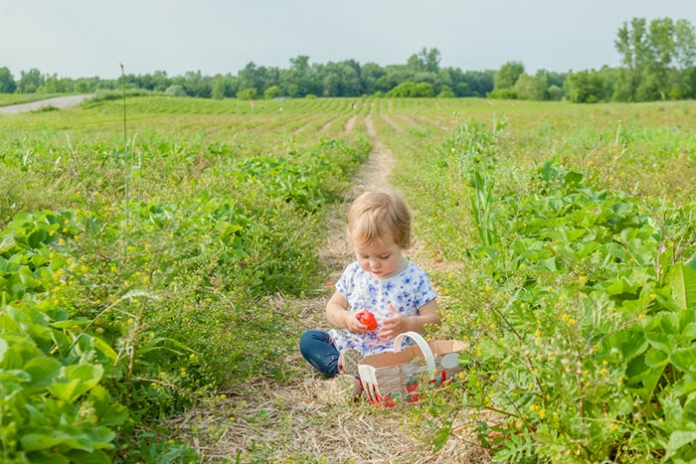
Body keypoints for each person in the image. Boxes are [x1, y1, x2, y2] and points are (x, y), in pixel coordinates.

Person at [299, 189, 440, 402]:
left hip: (393, 353)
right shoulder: (355, 272)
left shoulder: (415, 278)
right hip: (354, 348)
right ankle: (349, 373)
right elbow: (332, 308)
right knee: (310, 339)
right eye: (364, 255)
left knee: (408, 367)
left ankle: (358, 382)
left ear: (402, 242)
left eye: (384, 256)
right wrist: (347, 318)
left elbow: (435, 320)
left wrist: (407, 324)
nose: (373, 264)